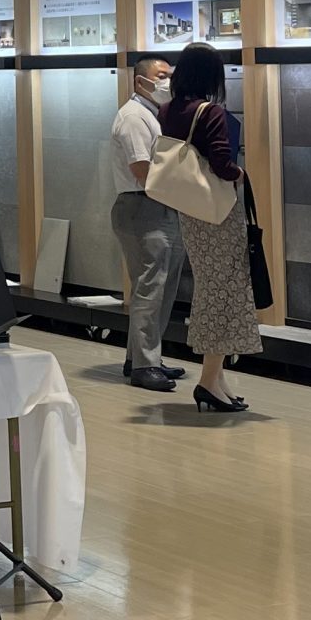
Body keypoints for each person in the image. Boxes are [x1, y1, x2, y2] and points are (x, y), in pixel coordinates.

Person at [159, 42, 257, 413]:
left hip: (191, 211)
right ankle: (207, 382)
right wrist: (240, 173)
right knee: (223, 292)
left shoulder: (168, 110)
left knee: (210, 287)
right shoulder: (210, 112)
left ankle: (217, 380)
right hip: (218, 213)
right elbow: (221, 163)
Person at [108, 57, 188, 393]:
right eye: (161, 75)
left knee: (161, 286)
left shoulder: (153, 114)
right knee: (150, 286)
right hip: (143, 206)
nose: (168, 81)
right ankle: (144, 365)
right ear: (140, 81)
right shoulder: (133, 117)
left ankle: (143, 356)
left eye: (170, 75)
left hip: (158, 205)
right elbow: (141, 169)